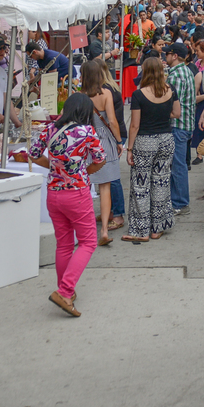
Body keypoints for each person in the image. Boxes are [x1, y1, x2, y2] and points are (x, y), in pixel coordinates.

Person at [30, 93, 106, 315]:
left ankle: (65, 291)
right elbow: (100, 159)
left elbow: (33, 155)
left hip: (53, 193)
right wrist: (83, 172)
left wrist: (55, 168)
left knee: (63, 244)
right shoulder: (87, 132)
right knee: (88, 242)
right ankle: (65, 292)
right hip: (77, 193)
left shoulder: (50, 129)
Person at [126, 57, 180, 244]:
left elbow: (134, 125)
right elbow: (176, 113)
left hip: (144, 141)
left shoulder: (139, 95)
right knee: (161, 182)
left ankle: (141, 229)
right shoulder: (170, 90)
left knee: (141, 185)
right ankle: (158, 227)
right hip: (166, 139)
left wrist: (129, 149)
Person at [80, 60, 125, 246]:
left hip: (86, 140)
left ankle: (86, 228)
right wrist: (119, 141)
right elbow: (113, 121)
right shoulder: (106, 93)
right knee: (105, 187)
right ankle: (104, 230)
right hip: (104, 140)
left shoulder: (80, 95)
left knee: (87, 186)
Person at [163, 44, 198, 213]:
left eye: (167, 54)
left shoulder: (176, 75)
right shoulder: (187, 71)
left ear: (175, 56)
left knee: (177, 165)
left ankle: (180, 201)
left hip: (178, 125)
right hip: (184, 124)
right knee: (179, 163)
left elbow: (169, 103)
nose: (165, 57)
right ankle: (178, 199)